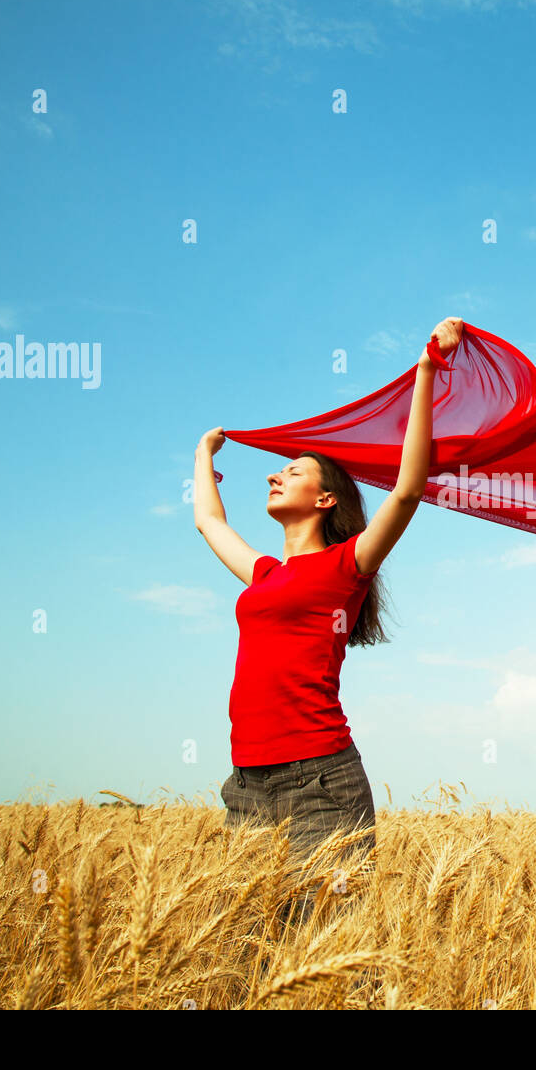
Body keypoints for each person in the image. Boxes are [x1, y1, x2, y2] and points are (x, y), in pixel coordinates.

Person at [193, 316, 463, 926]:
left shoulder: (349, 566)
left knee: (335, 954)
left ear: (325, 498)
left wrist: (425, 371)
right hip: (247, 783)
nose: (273, 474)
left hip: (321, 782)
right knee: (244, 953)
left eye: (290, 471)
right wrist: (203, 455)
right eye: (275, 469)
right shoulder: (263, 575)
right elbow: (209, 523)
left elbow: (409, 487)